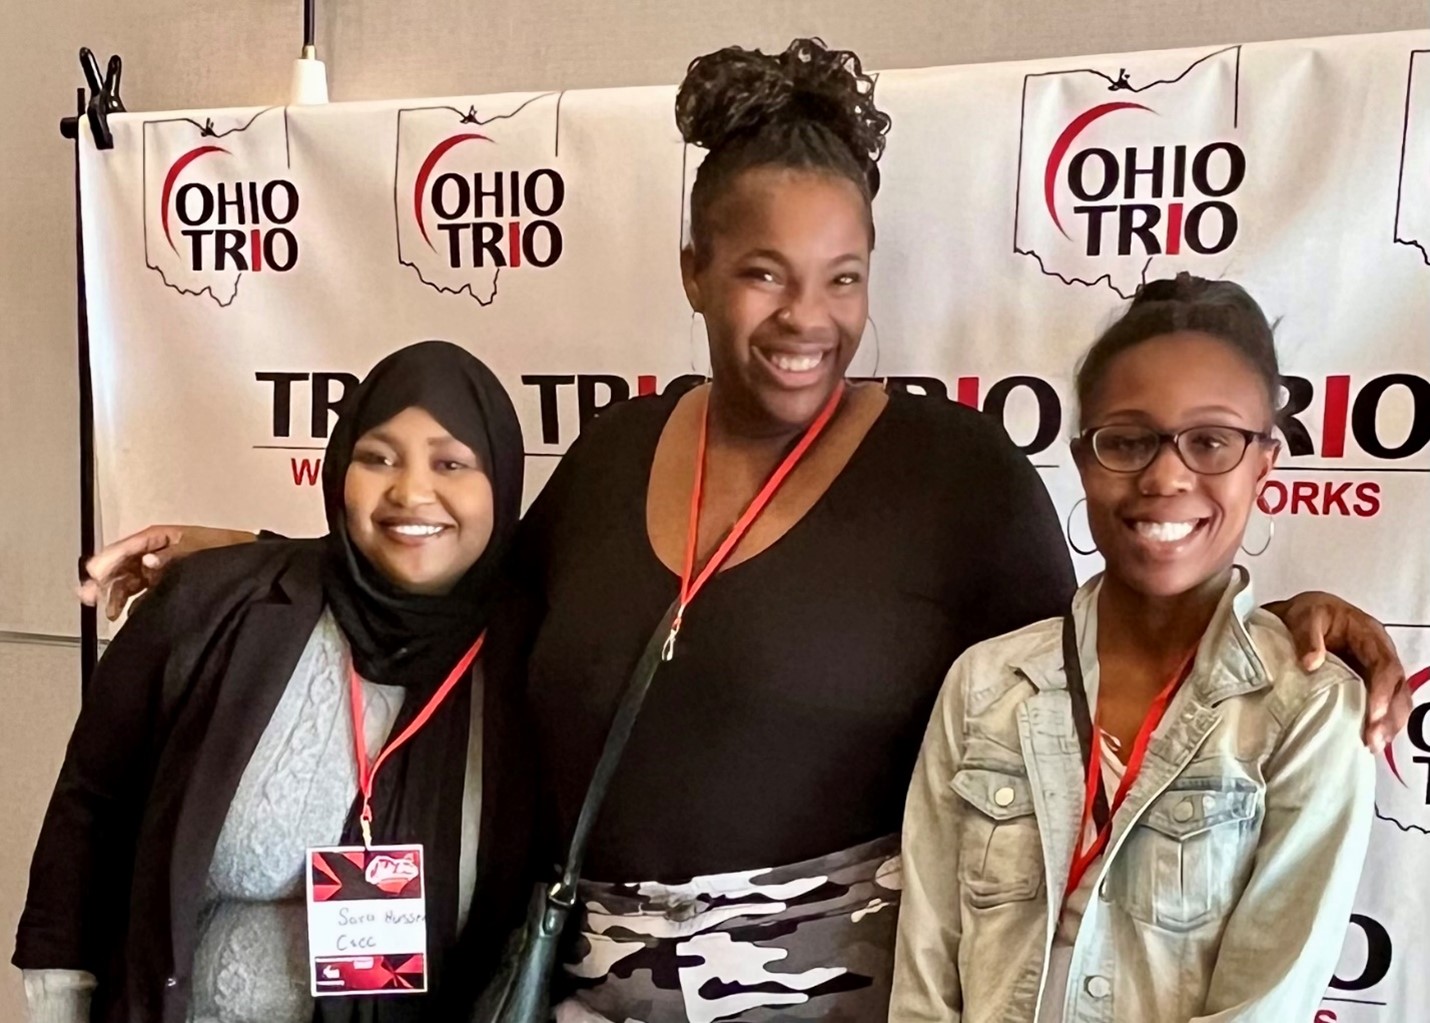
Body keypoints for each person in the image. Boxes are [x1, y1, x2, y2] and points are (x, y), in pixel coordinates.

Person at [74, 42, 1405, 1022]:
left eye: (842, 276)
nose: (804, 317)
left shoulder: (956, 476)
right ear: (694, 272)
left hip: (825, 991)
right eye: (764, 270)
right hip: (577, 980)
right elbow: (449, 614)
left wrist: (1277, 621)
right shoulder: (604, 457)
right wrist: (263, 554)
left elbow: (1085, 676)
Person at [891, 276, 1376, 1022]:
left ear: (1264, 466)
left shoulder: (1309, 713)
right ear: (1085, 460)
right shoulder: (985, 685)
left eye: (1211, 441)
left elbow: (1263, 1005)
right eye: (1128, 439)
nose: (1166, 474)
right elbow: (924, 979)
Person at [14, 341, 533, 1023]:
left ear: (500, 479)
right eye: (377, 457)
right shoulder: (214, 606)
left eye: (450, 462)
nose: (410, 490)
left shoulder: (534, 659)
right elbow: (90, 806)